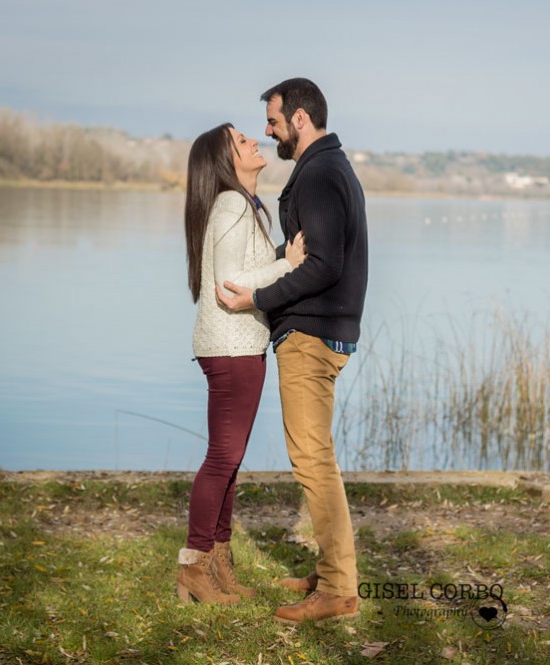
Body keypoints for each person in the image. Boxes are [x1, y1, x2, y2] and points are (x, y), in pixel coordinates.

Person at [216, 78, 369, 623]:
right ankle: (332, 571)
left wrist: (257, 297)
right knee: (317, 456)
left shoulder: (322, 174)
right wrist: (279, 259)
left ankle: (337, 589)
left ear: (300, 118)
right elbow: (311, 251)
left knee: (312, 461)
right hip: (319, 330)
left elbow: (323, 263)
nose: (268, 129)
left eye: (274, 120)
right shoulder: (328, 167)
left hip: (310, 334)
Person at [177, 122, 306, 604]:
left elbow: (243, 266)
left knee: (230, 463)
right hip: (231, 347)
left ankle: (218, 563)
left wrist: (276, 257)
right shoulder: (232, 205)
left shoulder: (243, 207)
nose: (254, 140)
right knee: (222, 461)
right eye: (241, 140)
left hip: (238, 345)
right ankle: (194, 565)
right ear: (227, 160)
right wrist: (288, 264)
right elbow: (231, 284)